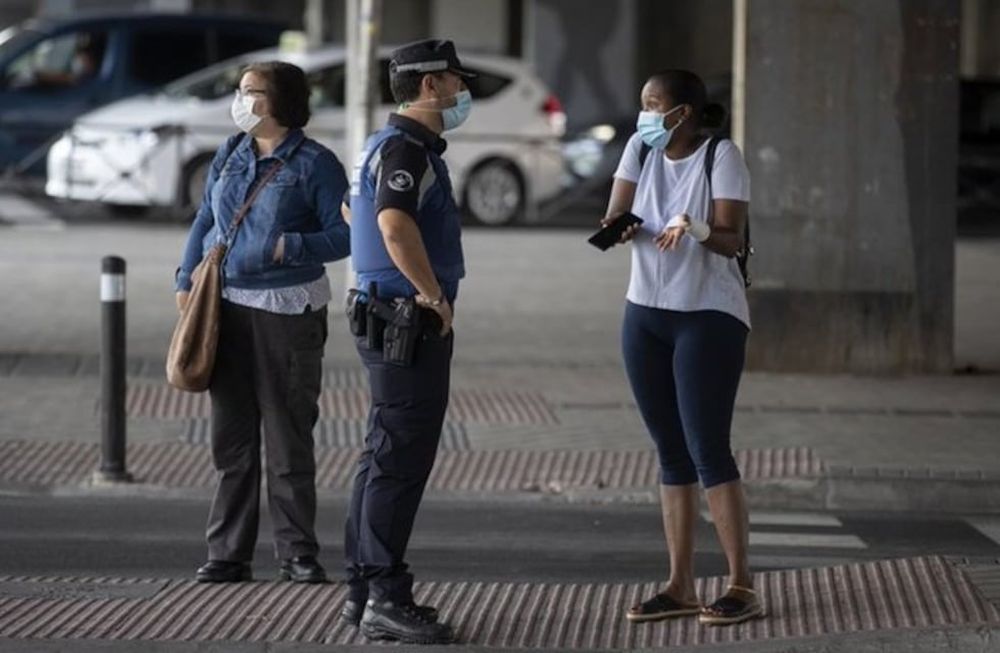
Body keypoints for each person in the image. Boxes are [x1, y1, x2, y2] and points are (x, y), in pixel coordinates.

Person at [174, 61, 350, 585]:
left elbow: (347, 237)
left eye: (251, 92)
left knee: (288, 435)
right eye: (241, 90)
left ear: (279, 102)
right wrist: (185, 277)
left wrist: (289, 245)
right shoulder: (231, 153)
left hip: (287, 312)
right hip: (222, 309)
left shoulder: (316, 165)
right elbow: (205, 218)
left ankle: (297, 552)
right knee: (232, 440)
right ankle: (228, 552)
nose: (241, 99)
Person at [603, 69, 762, 626]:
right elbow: (616, 213)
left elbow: (730, 238)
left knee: (707, 449)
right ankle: (679, 584)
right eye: (643, 102)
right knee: (669, 451)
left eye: (654, 104)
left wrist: (692, 226)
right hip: (644, 313)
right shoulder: (638, 150)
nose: (645, 113)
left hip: (707, 317)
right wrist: (620, 227)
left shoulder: (721, 156)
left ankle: (741, 583)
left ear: (684, 113)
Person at [338, 38, 471, 645]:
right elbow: (391, 223)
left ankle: (364, 589)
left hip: (381, 313)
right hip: (405, 322)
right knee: (398, 462)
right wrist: (432, 296)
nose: (460, 89)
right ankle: (386, 598)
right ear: (429, 86)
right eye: (453, 80)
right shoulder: (406, 149)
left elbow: (352, 211)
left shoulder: (378, 143)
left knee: (379, 455)